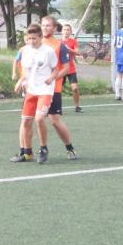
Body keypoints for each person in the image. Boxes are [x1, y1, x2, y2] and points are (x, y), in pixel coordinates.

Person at [11, 23, 59, 163]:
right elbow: (26, 71)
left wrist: (51, 78)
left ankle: (43, 149)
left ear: (40, 37)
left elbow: (56, 69)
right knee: (26, 121)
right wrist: (20, 81)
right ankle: (27, 153)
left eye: (34, 38)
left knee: (39, 119)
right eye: (29, 38)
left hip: (45, 90)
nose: (31, 41)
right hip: (31, 90)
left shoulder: (48, 51)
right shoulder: (25, 51)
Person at [40, 15, 79, 160]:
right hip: (35, 90)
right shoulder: (35, 43)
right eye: (43, 25)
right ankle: (27, 151)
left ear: (55, 28)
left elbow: (66, 68)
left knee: (54, 120)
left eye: (48, 25)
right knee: (30, 119)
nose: (45, 28)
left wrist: (51, 79)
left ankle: (70, 148)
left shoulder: (59, 46)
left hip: (52, 89)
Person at [60, 21, 82, 112]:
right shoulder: (58, 42)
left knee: (75, 88)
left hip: (71, 69)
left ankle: (77, 106)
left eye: (68, 30)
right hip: (61, 69)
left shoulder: (73, 41)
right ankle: (56, 107)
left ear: (71, 32)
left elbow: (78, 52)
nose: (66, 31)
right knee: (57, 90)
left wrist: (69, 49)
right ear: (62, 31)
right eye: (64, 30)